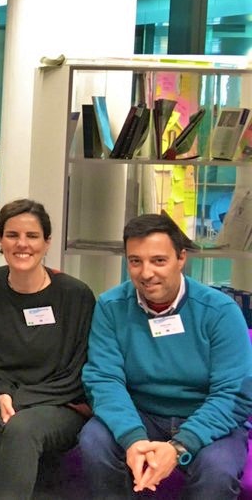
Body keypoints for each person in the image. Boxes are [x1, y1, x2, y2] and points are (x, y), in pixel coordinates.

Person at [79, 213, 252, 499]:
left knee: (217, 471)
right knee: (94, 442)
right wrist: (133, 439)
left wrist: (180, 446)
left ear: (181, 258)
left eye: (158, 260)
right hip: (140, 413)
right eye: (135, 261)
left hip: (204, 415)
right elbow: (104, 379)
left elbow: (234, 393)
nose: (146, 273)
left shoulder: (220, 311)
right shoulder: (111, 306)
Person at [0, 199, 95, 499]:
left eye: (32, 236)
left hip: (59, 401)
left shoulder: (75, 295)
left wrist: (20, 400)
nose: (22, 244)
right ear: (0, 240)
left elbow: (79, 369)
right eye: (12, 235)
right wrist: (0, 392)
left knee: (22, 428)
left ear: (47, 242)